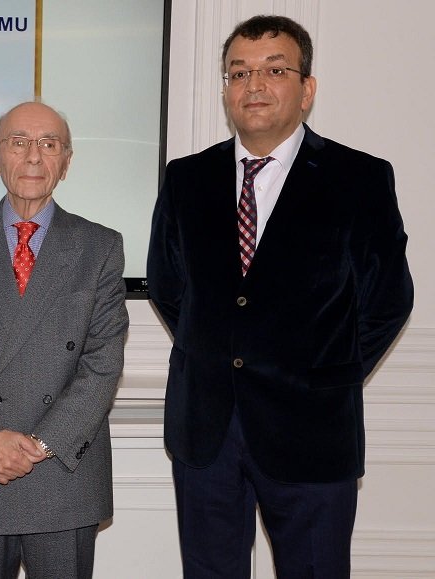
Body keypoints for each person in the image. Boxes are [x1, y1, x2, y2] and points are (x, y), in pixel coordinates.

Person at [147, 15, 413, 578]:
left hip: (313, 431)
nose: (254, 85)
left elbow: (387, 301)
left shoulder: (359, 178)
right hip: (206, 431)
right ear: (225, 89)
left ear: (306, 89)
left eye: (274, 70)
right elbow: (169, 288)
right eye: (239, 72)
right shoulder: (186, 179)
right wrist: (219, 353)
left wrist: (324, 376)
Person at [0, 101, 129, 578]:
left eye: (49, 144)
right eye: (19, 143)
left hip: (61, 470)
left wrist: (40, 444)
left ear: (66, 162)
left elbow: (102, 361)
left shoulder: (100, 247)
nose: (34, 156)